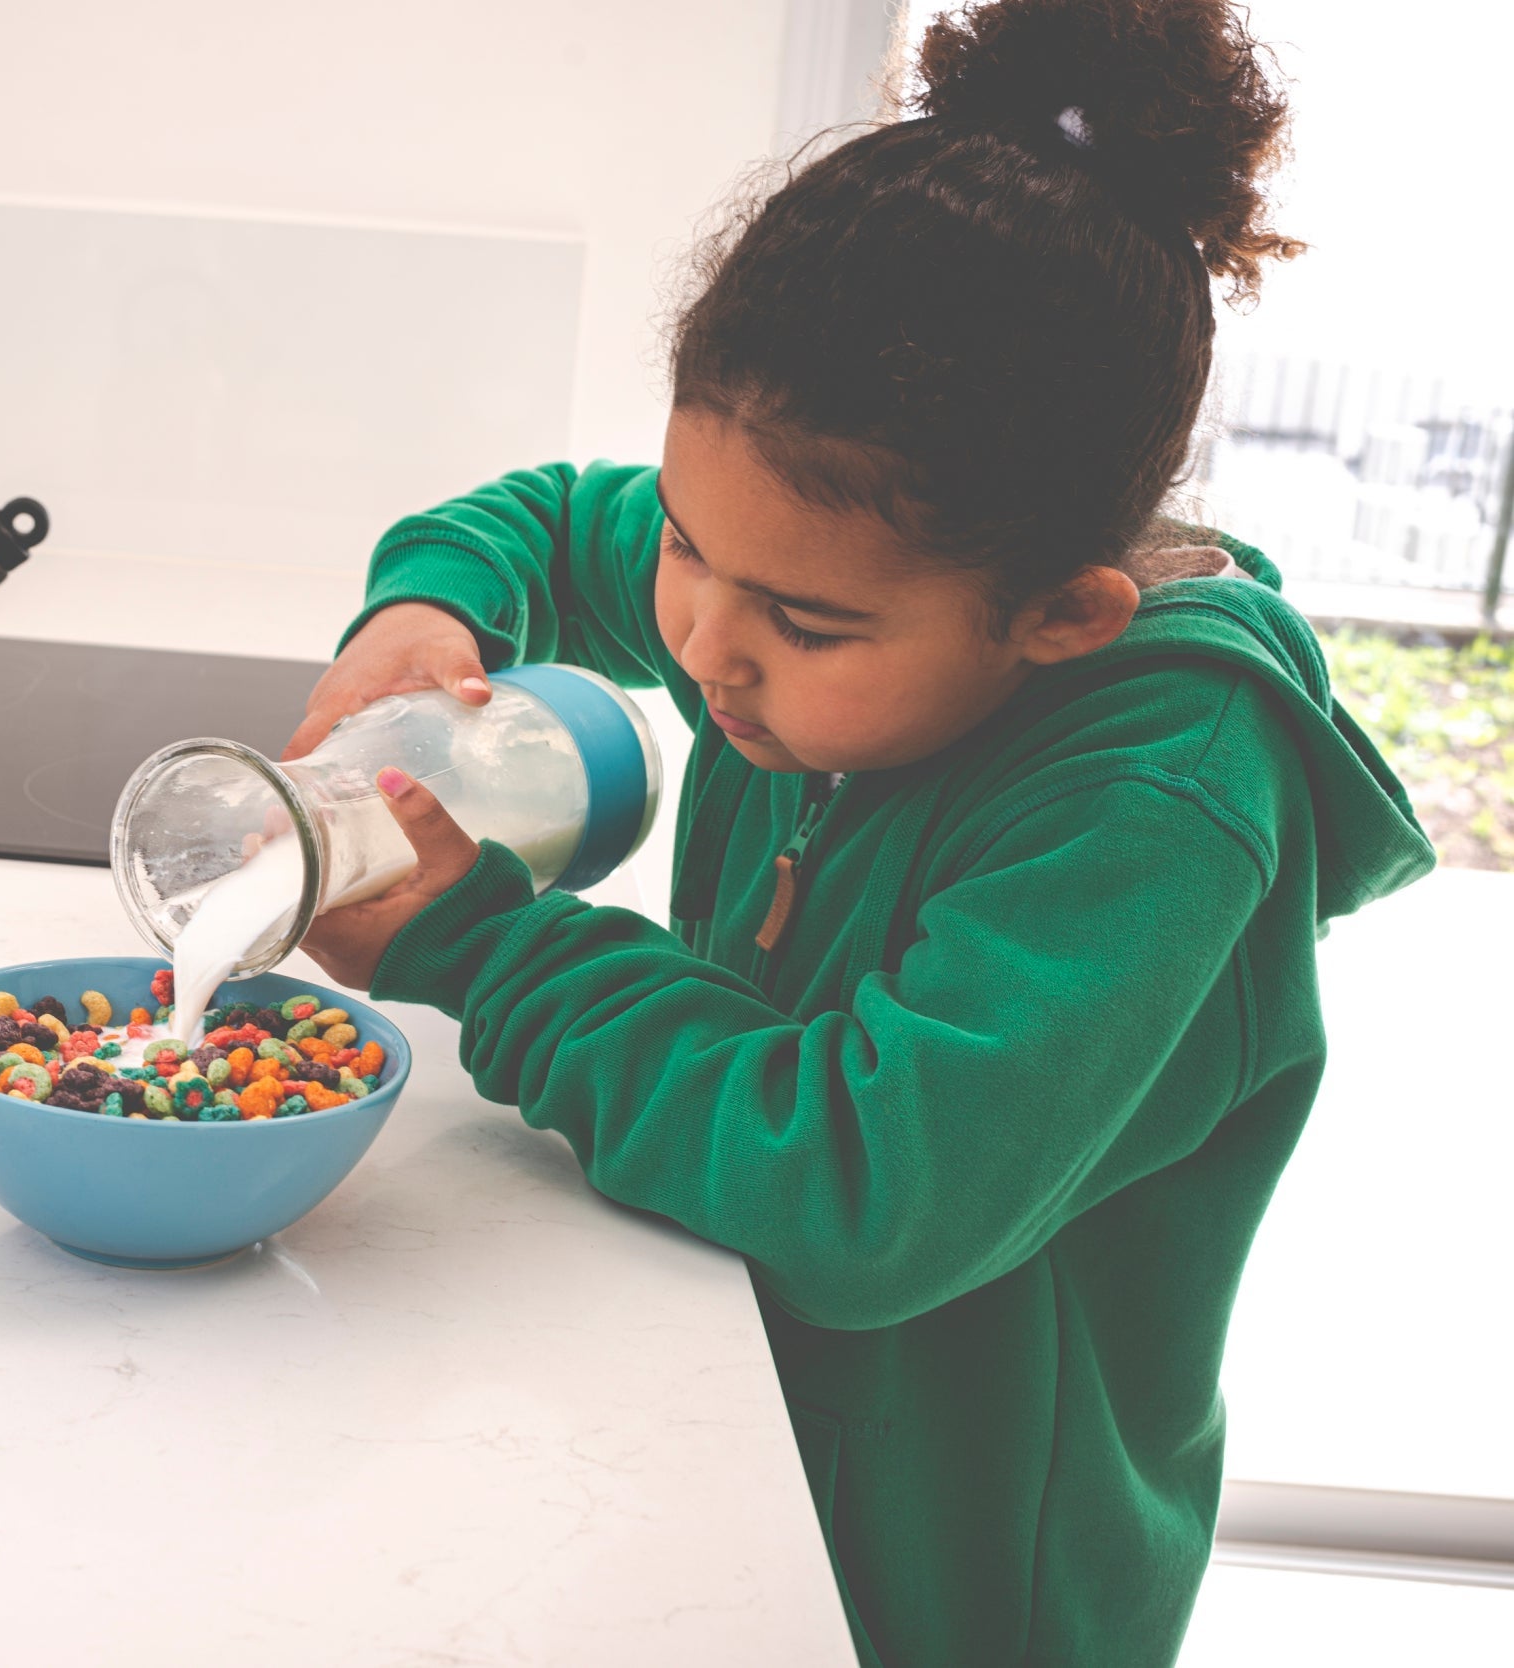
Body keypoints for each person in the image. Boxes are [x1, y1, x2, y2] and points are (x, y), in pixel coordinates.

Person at [287, 2, 1434, 1661]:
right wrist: (430, 603)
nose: (702, 643)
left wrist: (481, 952)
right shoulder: (800, 561)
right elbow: (545, 522)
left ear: (1057, 616)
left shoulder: (1162, 806)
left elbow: (867, 1191)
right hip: (728, 1456)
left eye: (803, 630)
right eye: (688, 545)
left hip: (947, 1594)